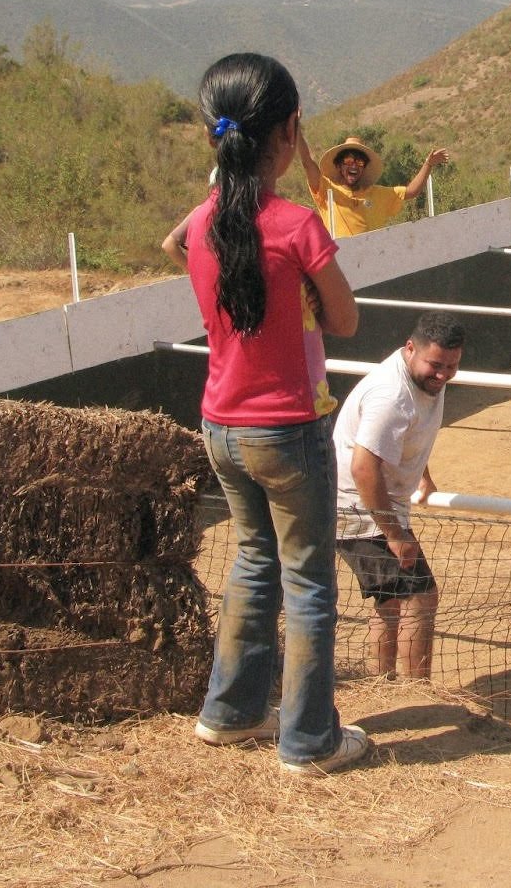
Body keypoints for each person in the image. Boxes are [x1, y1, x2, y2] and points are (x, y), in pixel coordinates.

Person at [161, 52, 368, 776]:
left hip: (220, 426)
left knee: (254, 562)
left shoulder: (204, 221)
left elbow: (176, 242)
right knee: (309, 581)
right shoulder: (295, 226)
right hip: (287, 431)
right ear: (288, 132)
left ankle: (230, 712)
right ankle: (309, 741)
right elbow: (344, 321)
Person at [333, 312, 463, 682]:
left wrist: (424, 474)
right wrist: (394, 535)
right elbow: (363, 467)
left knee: (389, 600)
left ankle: (383, 683)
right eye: (435, 365)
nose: (442, 375)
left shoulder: (424, 381)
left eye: (452, 366)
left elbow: (405, 437)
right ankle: (417, 692)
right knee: (422, 598)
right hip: (358, 510)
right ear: (410, 349)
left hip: (373, 506)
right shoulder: (391, 395)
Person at [297, 132, 450, 237]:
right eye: (348, 161)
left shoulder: (378, 194)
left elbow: (411, 191)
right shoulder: (327, 190)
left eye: (360, 162)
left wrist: (428, 164)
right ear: (338, 166)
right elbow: (308, 163)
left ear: (364, 168)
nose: (354, 166)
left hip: (372, 265)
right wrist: (295, 128)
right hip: (340, 264)